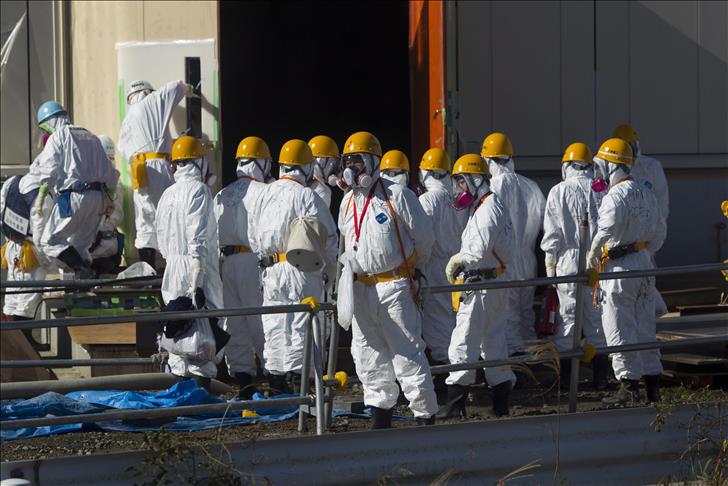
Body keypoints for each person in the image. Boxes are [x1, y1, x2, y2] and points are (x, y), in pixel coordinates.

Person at [338, 131, 437, 428]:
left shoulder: (398, 196)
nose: (351, 168)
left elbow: (425, 239)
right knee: (368, 357)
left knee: (407, 354)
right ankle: (380, 419)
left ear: (373, 162)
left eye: (357, 161)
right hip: (361, 289)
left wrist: (413, 269)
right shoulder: (347, 201)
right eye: (347, 162)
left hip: (394, 287)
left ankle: (425, 417)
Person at [250, 139, 337, 394]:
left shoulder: (265, 194)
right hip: (301, 267)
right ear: (307, 167)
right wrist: (330, 269)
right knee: (302, 324)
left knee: (275, 323)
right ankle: (301, 386)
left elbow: (252, 233)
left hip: (271, 268)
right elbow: (329, 236)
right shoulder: (306, 195)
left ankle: (277, 384)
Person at [587, 138, 666, 405]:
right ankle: (653, 387)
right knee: (645, 325)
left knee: (619, 325)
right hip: (644, 264)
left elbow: (606, 230)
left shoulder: (615, 196)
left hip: (619, 268)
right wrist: (643, 250)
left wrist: (592, 255)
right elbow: (660, 233)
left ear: (611, 166)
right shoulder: (646, 192)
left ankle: (628, 387)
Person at [438, 154, 517, 418]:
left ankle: (455, 405)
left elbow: (478, 248)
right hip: (490, 282)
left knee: (463, 341)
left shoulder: (488, 208)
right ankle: (500, 405)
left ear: (475, 180)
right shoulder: (487, 205)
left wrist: (458, 260)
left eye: (462, 181)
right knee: (493, 341)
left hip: (481, 285)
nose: (459, 188)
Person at [156, 136, 228, 389]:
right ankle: (200, 395)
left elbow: (160, 234)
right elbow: (196, 234)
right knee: (203, 332)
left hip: (173, 267)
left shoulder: (167, 193)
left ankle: (181, 393)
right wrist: (197, 278)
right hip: (195, 266)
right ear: (198, 161)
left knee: (178, 329)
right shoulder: (199, 190)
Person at [541, 142, 608, 389]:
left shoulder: (558, 191)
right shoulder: (600, 190)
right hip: (596, 261)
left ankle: (567, 383)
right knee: (597, 321)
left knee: (567, 320)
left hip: (568, 261)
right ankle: (600, 378)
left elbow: (552, 234)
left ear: (567, 166)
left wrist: (550, 265)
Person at [28, 101, 118, 278]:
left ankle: (82, 270)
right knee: (81, 246)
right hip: (97, 198)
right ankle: (84, 281)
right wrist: (110, 199)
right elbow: (111, 174)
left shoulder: (59, 136)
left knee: (50, 241)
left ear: (50, 120)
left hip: (72, 197)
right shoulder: (91, 136)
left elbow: (48, 169)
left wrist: (41, 197)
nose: (46, 132)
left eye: (45, 127)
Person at [214, 136, 272, 399]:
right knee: (261, 320)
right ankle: (274, 376)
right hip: (252, 260)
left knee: (234, 323)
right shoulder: (266, 192)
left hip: (227, 263)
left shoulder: (222, 194)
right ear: (261, 162)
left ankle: (244, 381)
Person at [119, 79, 195, 268]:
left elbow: (122, 148)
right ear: (146, 92)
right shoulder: (152, 101)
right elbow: (175, 87)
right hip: (159, 167)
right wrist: (189, 89)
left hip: (138, 169)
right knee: (170, 214)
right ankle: (175, 265)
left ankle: (148, 268)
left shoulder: (127, 121)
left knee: (145, 219)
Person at [481, 132, 546, 355]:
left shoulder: (490, 189)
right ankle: (533, 359)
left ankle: (515, 362)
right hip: (528, 260)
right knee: (526, 313)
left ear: (488, 160)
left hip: (502, 261)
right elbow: (546, 226)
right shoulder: (531, 186)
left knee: (506, 316)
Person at [416, 147, 469, 403]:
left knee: (435, 323)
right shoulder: (458, 200)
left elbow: (422, 237)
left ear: (425, 173)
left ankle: (443, 383)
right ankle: (455, 375)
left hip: (434, 266)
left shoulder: (427, 200)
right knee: (452, 320)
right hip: (456, 266)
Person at [89, 135, 124, 275]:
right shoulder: (116, 180)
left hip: (94, 251)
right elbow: (118, 216)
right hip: (111, 248)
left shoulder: (89, 179)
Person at [308, 135, 340, 207]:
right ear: (320, 160)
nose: (333, 168)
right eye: (333, 162)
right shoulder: (322, 191)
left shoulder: (297, 184)